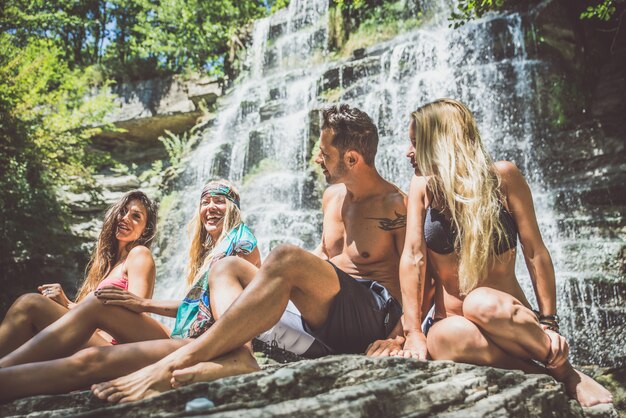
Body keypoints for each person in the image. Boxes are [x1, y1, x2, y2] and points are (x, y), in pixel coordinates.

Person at [89, 103, 410, 403]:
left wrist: (401, 337)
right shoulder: (332, 197)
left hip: (370, 319)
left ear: (352, 159)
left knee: (285, 256)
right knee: (226, 268)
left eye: (324, 154)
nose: (317, 160)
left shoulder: (395, 205)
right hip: (325, 321)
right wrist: (270, 279)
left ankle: (180, 359)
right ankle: (238, 357)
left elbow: (419, 272)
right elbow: (323, 256)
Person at [395, 98, 612, 407]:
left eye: (416, 143)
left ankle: (566, 371)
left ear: (440, 142)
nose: (408, 152)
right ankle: (544, 376)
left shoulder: (503, 177)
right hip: (459, 330)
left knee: (481, 303)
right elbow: (413, 258)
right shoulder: (421, 187)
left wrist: (549, 323)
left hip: (510, 322)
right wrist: (413, 331)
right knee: (442, 338)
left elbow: (535, 251)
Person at [0, 180, 261, 402]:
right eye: (206, 201)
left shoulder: (238, 243)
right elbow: (196, 307)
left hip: (193, 344)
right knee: (32, 304)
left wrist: (143, 304)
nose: (211, 207)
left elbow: (243, 312)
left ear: (233, 209)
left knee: (66, 329)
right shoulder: (209, 256)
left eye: (220, 201)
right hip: (184, 339)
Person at [0, 190, 158, 358]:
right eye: (123, 211)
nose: (125, 217)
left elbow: (137, 313)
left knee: (30, 304)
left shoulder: (140, 254)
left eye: (136, 216)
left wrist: (68, 305)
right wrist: (64, 304)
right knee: (31, 320)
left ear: (145, 232)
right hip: (94, 340)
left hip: (114, 348)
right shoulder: (108, 266)